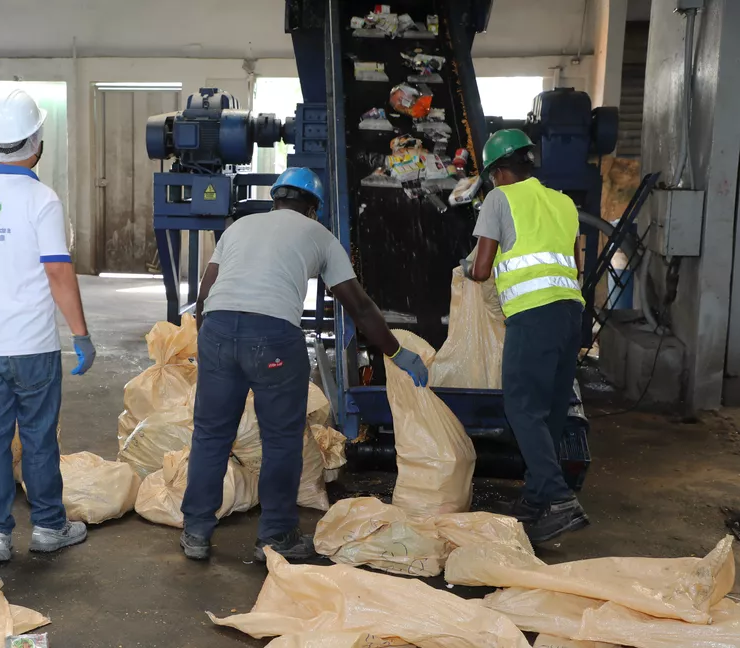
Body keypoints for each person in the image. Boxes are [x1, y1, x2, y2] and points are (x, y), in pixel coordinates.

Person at [179, 167, 429, 562]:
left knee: (211, 435)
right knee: (280, 440)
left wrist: (213, 345)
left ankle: (195, 531)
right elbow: (359, 306)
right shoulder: (320, 236)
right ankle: (275, 537)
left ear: (276, 198)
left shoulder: (239, 227)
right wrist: (396, 351)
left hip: (219, 329)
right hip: (273, 337)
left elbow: (204, 295)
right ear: (313, 208)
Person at [0, 89, 96, 562]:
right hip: (31, 347)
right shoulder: (42, 201)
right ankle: (49, 528)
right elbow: (57, 271)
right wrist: (80, 334)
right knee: (37, 437)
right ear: (37, 141)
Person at [460, 129, 589, 544]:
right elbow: (572, 260)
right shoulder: (564, 202)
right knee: (550, 410)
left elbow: (481, 270)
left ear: (497, 172)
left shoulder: (500, 199)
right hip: (571, 313)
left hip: (533, 315)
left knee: (520, 407)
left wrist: (465, 267)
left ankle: (558, 498)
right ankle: (535, 499)